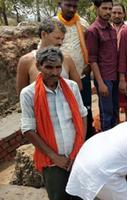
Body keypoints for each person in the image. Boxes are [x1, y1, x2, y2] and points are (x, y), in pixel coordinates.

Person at [20, 47, 87, 200]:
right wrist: (55, 157)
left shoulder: (72, 87)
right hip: (52, 161)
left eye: (58, 67)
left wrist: (79, 147)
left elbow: (82, 116)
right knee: (58, 197)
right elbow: (28, 130)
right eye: (49, 67)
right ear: (38, 67)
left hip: (76, 154)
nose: (55, 72)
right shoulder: (28, 94)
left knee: (82, 195)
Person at [56, 0, 95, 139]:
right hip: (61, 79)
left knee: (86, 108)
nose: (72, 9)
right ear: (60, 4)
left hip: (82, 76)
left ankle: (88, 137)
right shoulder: (53, 24)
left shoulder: (82, 23)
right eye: (68, 5)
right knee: (67, 112)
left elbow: (90, 46)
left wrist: (89, 65)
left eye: (75, 6)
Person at [16, 18, 82, 95]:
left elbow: (78, 87)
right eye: (57, 38)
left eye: (62, 39)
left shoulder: (66, 59)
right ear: (43, 34)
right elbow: (22, 94)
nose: (60, 42)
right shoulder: (26, 61)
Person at [86, 0, 119, 131]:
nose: (108, 12)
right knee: (107, 113)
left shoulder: (111, 29)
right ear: (96, 8)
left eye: (110, 9)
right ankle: (107, 140)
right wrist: (100, 83)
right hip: (104, 78)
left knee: (115, 109)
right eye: (104, 8)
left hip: (114, 76)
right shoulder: (93, 30)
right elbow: (92, 59)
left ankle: (115, 137)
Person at [111, 2, 127, 122]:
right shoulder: (106, 29)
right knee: (114, 99)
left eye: (119, 12)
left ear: (124, 14)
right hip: (110, 71)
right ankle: (117, 123)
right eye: (114, 12)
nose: (117, 15)